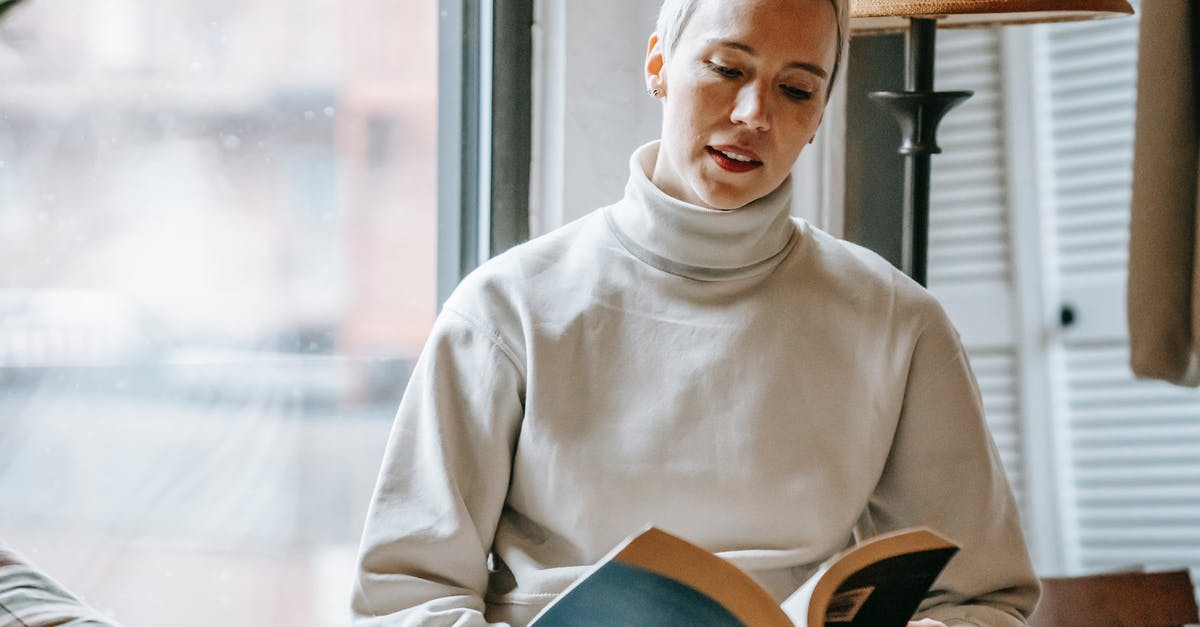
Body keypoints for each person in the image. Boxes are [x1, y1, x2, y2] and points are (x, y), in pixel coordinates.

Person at [351, 0, 1040, 625]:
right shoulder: (506, 309)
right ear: (658, 64)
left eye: (796, 89)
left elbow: (984, 596)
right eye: (726, 68)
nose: (754, 114)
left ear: (821, 112)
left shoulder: (898, 321)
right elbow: (403, 601)